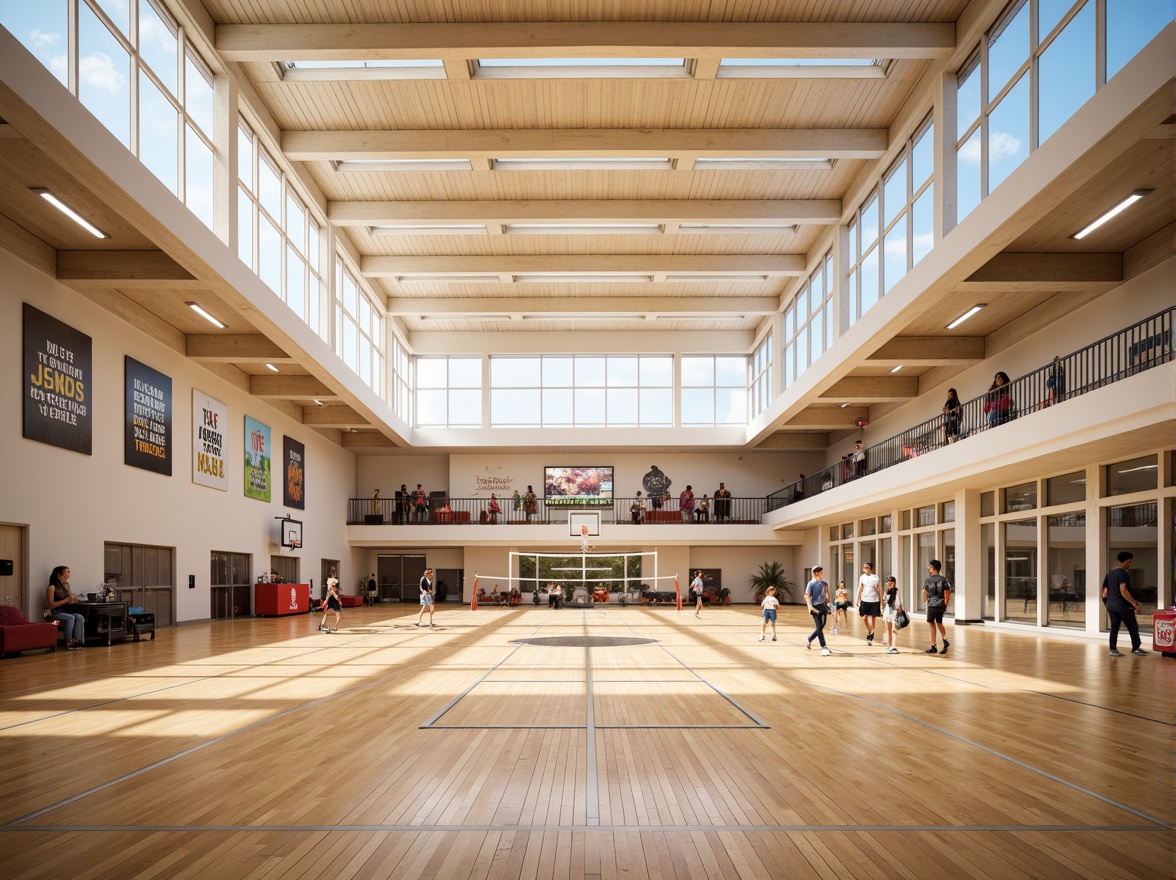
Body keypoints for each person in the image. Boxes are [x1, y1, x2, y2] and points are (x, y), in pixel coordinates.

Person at [1103, 551, 1147, 657]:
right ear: (1127, 560)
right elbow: (1123, 590)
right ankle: (1136, 649)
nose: (1130, 564)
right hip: (1122, 606)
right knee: (1132, 626)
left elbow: (1104, 592)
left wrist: (1109, 603)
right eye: (1130, 562)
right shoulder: (1123, 573)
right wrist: (1134, 603)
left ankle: (1113, 650)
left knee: (1114, 628)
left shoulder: (1109, 574)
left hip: (1112, 606)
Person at [46, 565, 85, 650]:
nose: (69, 574)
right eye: (67, 572)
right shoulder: (52, 587)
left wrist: (73, 599)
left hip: (65, 610)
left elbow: (69, 600)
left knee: (80, 617)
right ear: (59, 575)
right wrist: (66, 600)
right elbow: (51, 605)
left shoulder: (66, 585)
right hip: (56, 612)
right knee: (70, 618)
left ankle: (79, 641)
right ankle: (68, 642)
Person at [922, 559, 951, 654]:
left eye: (930, 567)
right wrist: (945, 603)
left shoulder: (928, 580)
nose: (928, 568)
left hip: (931, 604)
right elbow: (947, 592)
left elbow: (925, 593)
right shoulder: (943, 579)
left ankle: (933, 645)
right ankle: (945, 639)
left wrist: (925, 602)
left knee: (931, 623)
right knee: (939, 622)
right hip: (941, 604)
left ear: (933, 568)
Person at [804, 566, 832, 655]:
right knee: (819, 626)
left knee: (821, 626)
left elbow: (827, 594)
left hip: (823, 606)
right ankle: (823, 646)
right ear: (816, 573)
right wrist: (809, 606)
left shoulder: (825, 583)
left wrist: (829, 605)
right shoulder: (811, 583)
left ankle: (809, 639)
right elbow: (807, 595)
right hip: (815, 607)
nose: (822, 574)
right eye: (821, 572)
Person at [855, 562, 882, 645]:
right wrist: (857, 599)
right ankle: (869, 630)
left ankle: (871, 634)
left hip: (874, 600)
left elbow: (879, 589)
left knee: (872, 618)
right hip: (864, 599)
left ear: (870, 568)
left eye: (866, 567)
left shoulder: (875, 578)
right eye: (864, 567)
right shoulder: (862, 577)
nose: (864, 568)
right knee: (864, 617)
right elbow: (860, 588)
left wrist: (881, 600)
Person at [881, 576, 903, 654]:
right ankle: (889, 646)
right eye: (888, 581)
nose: (890, 582)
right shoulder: (886, 592)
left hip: (894, 613)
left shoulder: (896, 591)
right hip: (887, 613)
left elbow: (899, 603)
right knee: (888, 631)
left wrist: (900, 612)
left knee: (894, 630)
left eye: (892, 581)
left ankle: (893, 646)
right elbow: (883, 602)